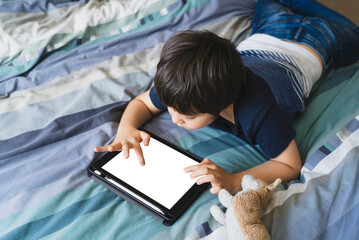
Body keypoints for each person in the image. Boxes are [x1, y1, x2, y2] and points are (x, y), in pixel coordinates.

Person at [94, 0, 359, 194]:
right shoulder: (185, 86)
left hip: (315, 41)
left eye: (186, 116)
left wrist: (234, 180)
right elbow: (141, 103)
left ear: (223, 104)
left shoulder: (258, 112)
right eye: (172, 110)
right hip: (268, 35)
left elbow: (289, 164)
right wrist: (126, 128)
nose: (174, 119)